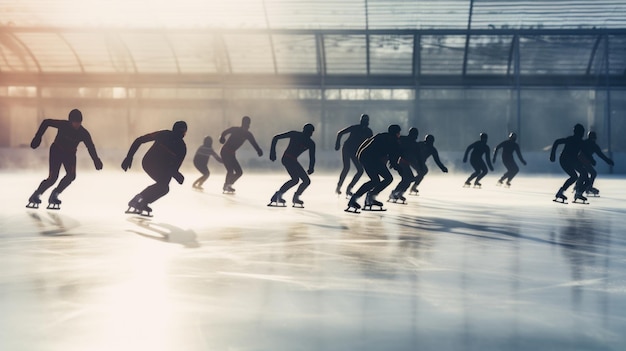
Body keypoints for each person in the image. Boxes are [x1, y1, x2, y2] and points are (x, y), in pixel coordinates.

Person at [26, 109, 103, 209]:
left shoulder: (83, 133)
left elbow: (90, 146)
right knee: (53, 178)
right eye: (75, 122)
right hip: (57, 151)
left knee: (71, 176)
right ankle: (36, 194)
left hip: (70, 154)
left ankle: (55, 194)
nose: (76, 125)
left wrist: (96, 159)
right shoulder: (63, 125)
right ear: (70, 121)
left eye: (79, 123)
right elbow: (46, 122)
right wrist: (38, 137)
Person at [122, 121, 187, 215]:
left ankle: (142, 201)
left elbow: (139, 140)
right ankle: (139, 200)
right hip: (150, 163)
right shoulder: (181, 147)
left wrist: (129, 157)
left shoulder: (165, 134)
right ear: (184, 133)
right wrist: (178, 176)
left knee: (164, 187)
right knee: (164, 185)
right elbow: (173, 169)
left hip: (150, 163)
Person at [346, 124, 401, 212]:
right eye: (399, 133)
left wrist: (359, 152)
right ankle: (370, 196)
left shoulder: (381, 135)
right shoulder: (394, 141)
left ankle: (355, 199)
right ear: (397, 133)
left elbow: (367, 141)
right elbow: (393, 159)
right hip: (371, 158)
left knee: (375, 180)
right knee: (388, 178)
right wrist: (398, 167)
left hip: (365, 156)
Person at [268, 124, 316, 207]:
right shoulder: (295, 134)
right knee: (295, 180)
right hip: (287, 158)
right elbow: (276, 137)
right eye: (307, 132)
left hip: (293, 159)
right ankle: (277, 195)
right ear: (303, 130)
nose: (308, 134)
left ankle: (295, 197)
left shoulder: (311, 143)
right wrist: (272, 152)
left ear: (311, 133)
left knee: (306, 181)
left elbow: (312, 157)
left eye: (310, 133)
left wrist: (311, 167)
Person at [218, 116, 263, 193]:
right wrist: (222, 138)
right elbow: (224, 132)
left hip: (231, 154)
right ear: (242, 124)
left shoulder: (248, 135)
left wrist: (258, 150)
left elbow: (254, 143)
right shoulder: (235, 129)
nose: (247, 126)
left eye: (248, 124)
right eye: (245, 124)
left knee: (239, 172)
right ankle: (226, 185)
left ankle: (228, 184)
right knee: (230, 170)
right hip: (225, 152)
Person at [334, 114, 373, 196]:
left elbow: (371, 144)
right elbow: (340, 133)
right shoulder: (355, 128)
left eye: (366, 121)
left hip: (356, 151)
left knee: (360, 170)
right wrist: (337, 144)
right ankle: (339, 186)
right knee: (346, 167)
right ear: (361, 121)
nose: (365, 122)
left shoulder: (369, 132)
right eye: (363, 120)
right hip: (347, 148)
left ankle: (349, 188)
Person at [550, 123, 587, 203]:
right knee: (575, 176)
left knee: (581, 175)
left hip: (571, 160)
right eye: (582, 132)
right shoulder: (572, 139)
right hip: (565, 160)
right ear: (578, 132)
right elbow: (557, 142)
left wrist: (553, 154)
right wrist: (552, 155)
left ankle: (577, 192)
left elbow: (557, 142)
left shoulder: (578, 141)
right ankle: (577, 192)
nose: (583, 134)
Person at [389, 127, 420, 203]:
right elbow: (395, 147)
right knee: (408, 179)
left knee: (407, 180)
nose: (416, 137)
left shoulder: (413, 143)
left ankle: (398, 193)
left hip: (406, 163)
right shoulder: (403, 139)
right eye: (415, 135)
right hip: (402, 162)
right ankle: (395, 193)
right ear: (411, 134)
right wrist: (393, 160)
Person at [577, 131, 614, 196]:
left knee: (583, 173)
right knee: (593, 173)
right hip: (584, 161)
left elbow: (600, 154)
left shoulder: (584, 142)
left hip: (579, 160)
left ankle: (579, 186)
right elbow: (600, 155)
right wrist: (608, 161)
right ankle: (587, 187)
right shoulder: (594, 145)